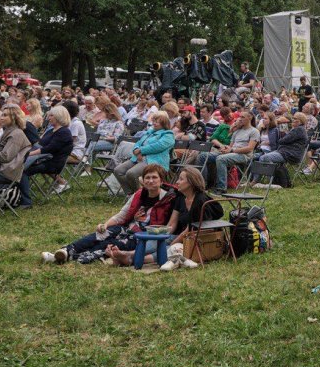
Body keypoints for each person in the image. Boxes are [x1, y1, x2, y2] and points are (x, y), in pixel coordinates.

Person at [41, 164, 182, 264]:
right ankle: (65, 251)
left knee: (110, 244)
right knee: (99, 235)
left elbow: (170, 227)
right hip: (127, 228)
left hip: (142, 236)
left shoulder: (169, 199)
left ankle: (69, 257)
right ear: (143, 180)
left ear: (161, 180)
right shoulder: (139, 194)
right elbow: (122, 215)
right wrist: (106, 224)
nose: (150, 181)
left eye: (154, 178)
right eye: (147, 178)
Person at [105, 166, 224, 266]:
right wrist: (160, 235)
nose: (177, 182)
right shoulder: (181, 197)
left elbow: (191, 230)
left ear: (191, 182)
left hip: (200, 237)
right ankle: (129, 254)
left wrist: (171, 242)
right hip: (183, 234)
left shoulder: (200, 200)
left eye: (181, 179)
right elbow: (172, 224)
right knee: (158, 240)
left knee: (170, 248)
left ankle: (133, 259)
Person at [18, 105, 75, 208]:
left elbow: (49, 148)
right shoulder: (51, 130)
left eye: (51, 116)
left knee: (22, 171)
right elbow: (39, 144)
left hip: (53, 163)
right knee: (17, 166)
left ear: (59, 116)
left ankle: (26, 202)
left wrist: (28, 154)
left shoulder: (64, 132)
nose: (48, 118)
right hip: (44, 159)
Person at [196, 109, 260, 193]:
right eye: (239, 116)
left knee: (221, 159)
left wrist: (232, 150)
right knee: (202, 156)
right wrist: (225, 148)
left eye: (243, 117)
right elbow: (231, 146)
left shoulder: (254, 131)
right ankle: (202, 184)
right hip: (232, 153)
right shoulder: (237, 131)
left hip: (244, 155)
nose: (240, 119)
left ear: (250, 118)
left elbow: (250, 148)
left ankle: (221, 188)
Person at [113, 112, 176, 196]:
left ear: (164, 123)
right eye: (154, 121)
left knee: (131, 174)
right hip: (138, 158)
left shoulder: (168, 135)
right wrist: (136, 149)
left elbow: (158, 146)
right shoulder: (149, 132)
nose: (154, 123)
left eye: (157, 121)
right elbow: (138, 143)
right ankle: (130, 194)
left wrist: (141, 150)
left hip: (155, 161)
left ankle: (140, 196)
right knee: (118, 170)